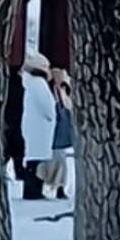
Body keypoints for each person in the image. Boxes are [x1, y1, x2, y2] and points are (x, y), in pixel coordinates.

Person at [20, 53, 57, 200]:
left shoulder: (28, 83)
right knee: (37, 164)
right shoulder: (38, 84)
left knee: (32, 162)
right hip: (40, 129)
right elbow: (48, 107)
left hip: (32, 128)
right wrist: (53, 116)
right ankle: (33, 192)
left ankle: (31, 190)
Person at [48, 68, 74, 201]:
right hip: (55, 133)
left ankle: (59, 187)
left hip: (59, 133)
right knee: (58, 161)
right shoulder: (54, 93)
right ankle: (57, 187)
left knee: (60, 162)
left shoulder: (62, 92)